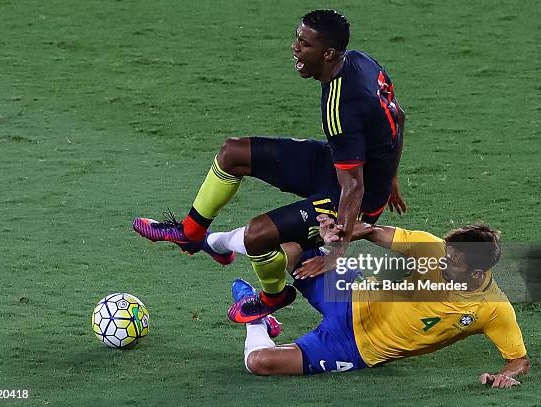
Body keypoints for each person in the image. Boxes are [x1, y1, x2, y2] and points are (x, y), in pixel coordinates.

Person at [133, 9, 406, 324]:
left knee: (257, 235)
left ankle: (272, 296)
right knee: (232, 152)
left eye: (304, 44)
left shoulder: (342, 106)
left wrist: (336, 253)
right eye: (297, 38)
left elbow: (353, 187)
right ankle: (190, 233)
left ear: (328, 53)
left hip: (354, 200)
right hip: (339, 165)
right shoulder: (360, 61)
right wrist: (391, 174)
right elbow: (398, 116)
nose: (295, 48)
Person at [209, 216, 531, 387]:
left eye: (454, 261)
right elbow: (377, 232)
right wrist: (341, 233)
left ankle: (258, 319)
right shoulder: (433, 250)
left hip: (355, 347)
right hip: (351, 294)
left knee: (259, 363)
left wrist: (505, 374)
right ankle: (218, 247)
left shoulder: (492, 309)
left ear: (477, 273)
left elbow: (519, 359)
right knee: (287, 248)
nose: (443, 261)